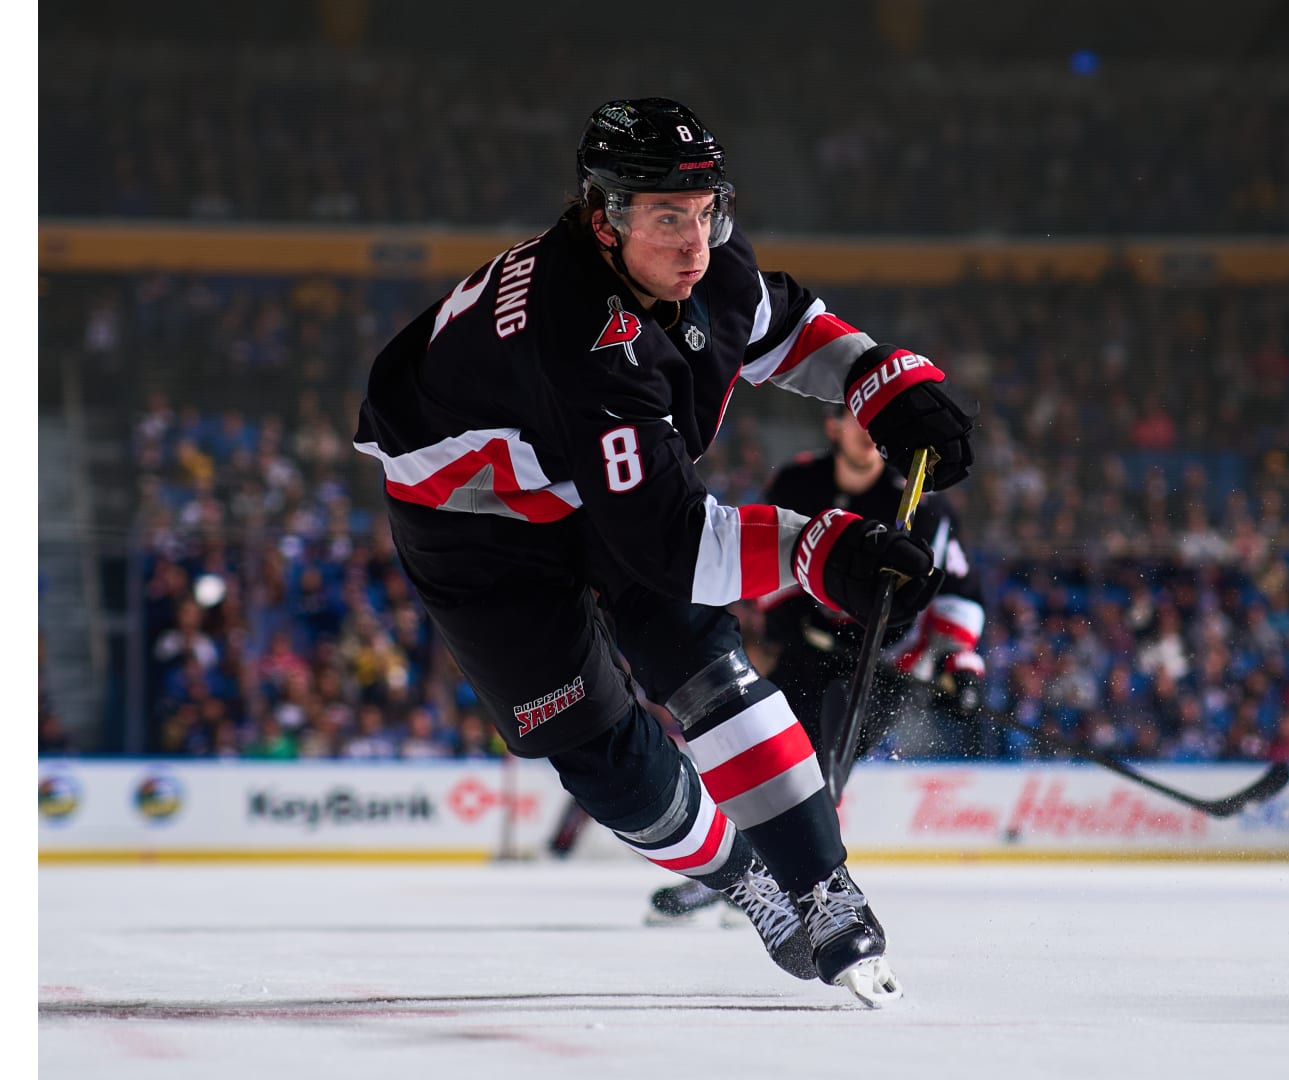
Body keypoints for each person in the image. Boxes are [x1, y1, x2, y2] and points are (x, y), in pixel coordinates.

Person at [352, 98, 975, 1006]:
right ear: (603, 222)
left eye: (707, 211)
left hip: (585, 472)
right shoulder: (578, 334)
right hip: (473, 523)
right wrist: (825, 550)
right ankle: (748, 880)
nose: (696, 244)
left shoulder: (705, 259)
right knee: (592, 745)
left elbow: (781, 325)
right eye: (667, 219)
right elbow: (676, 545)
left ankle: (821, 885)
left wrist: (880, 381)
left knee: (707, 662)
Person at [645, 405, 987, 925]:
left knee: (819, 774)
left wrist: (960, 664)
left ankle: (791, 886)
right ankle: (740, 878)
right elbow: (766, 549)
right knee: (768, 762)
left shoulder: (923, 505)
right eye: (856, 420)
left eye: (875, 424)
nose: (867, 432)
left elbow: (957, 590)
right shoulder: (799, 482)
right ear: (834, 428)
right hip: (804, 657)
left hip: (877, 670)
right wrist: (791, 620)